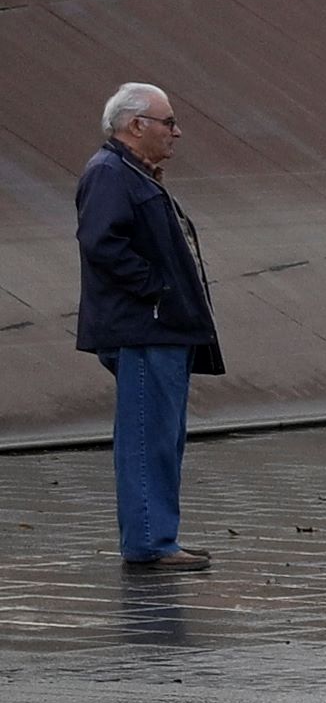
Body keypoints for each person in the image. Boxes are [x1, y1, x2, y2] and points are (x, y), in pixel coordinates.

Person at [73, 79, 216, 571]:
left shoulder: (134, 173)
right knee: (146, 437)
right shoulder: (111, 172)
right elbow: (102, 245)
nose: (176, 132)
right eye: (169, 122)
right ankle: (151, 542)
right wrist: (158, 288)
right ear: (136, 125)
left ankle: (158, 537)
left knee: (161, 436)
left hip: (160, 329)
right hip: (144, 329)